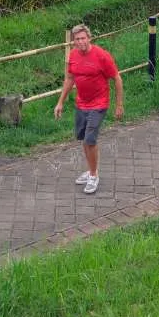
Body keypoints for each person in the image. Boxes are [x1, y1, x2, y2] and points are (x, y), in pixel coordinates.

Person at [54, 24, 124, 194]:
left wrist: (119, 105)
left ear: (89, 38)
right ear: (73, 42)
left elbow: (116, 78)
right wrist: (60, 102)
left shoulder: (101, 56)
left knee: (89, 140)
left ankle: (93, 175)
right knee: (83, 139)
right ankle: (92, 170)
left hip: (99, 104)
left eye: (83, 38)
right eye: (77, 39)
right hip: (81, 104)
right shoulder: (73, 56)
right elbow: (70, 79)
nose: (81, 42)